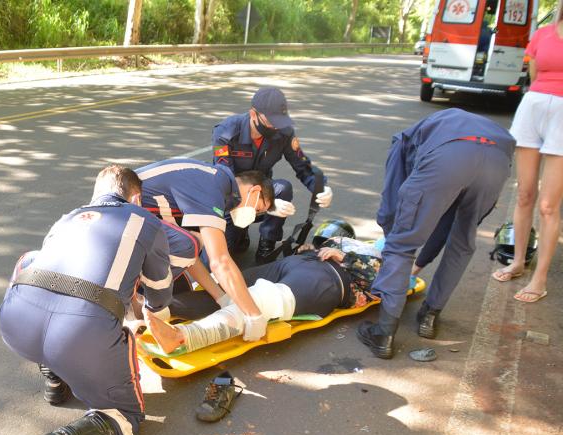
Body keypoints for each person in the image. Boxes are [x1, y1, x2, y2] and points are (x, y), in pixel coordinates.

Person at [0, 164, 173, 435]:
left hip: (15, 323)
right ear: (136, 196)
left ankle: (53, 377)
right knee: (126, 417)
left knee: (37, 271)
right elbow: (159, 290)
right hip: (79, 335)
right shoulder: (145, 222)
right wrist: (157, 321)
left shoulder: (69, 218)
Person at [357, 109, 516, 359]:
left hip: (450, 156)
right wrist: (421, 263)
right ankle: (429, 316)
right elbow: (447, 223)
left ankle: (383, 334)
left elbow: (390, 204)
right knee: (463, 241)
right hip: (496, 161)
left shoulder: (402, 141)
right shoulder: (442, 127)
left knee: (402, 243)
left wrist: (394, 243)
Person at [143, 232, 383, 354]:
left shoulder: (374, 255)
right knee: (230, 288)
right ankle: (162, 308)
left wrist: (345, 257)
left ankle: (183, 337)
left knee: (262, 299)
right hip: (298, 263)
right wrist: (308, 249)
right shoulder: (331, 242)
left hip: (330, 280)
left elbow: (383, 282)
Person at [135, 158, 275, 343]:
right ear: (255, 190)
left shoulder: (212, 180)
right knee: (190, 246)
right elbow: (220, 262)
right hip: (121, 228)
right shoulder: (211, 188)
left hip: (122, 224)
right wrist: (253, 315)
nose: (254, 215)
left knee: (182, 281)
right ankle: (140, 308)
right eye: (257, 209)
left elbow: (190, 256)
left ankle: (138, 296)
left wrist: (222, 298)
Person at [492, 3, 563, 303]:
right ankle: (519, 261)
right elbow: (534, 74)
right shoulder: (543, 34)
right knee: (525, 194)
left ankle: (540, 278)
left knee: (548, 206)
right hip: (533, 107)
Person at [212, 86, 333, 263]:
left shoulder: (284, 133)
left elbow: (302, 164)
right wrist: (267, 205)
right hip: (230, 197)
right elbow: (225, 178)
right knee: (226, 254)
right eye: (271, 121)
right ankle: (240, 232)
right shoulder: (226, 132)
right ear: (254, 114)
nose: (276, 126)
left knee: (283, 188)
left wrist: (321, 186)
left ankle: (266, 246)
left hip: (263, 189)